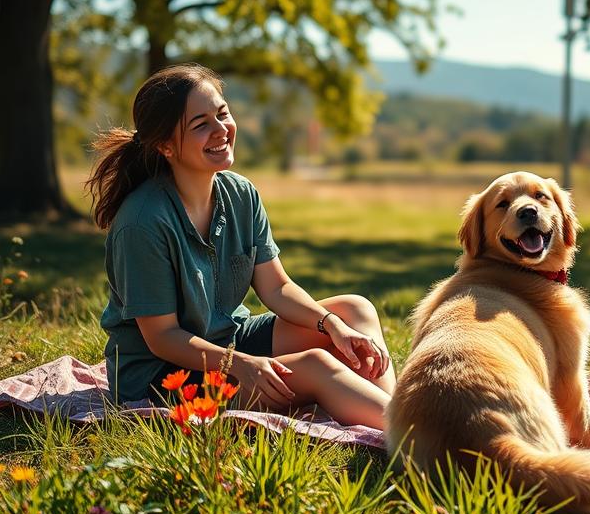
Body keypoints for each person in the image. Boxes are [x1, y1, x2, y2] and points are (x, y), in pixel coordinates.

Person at [86, 63, 394, 429]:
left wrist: (331, 325)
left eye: (222, 113)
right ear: (166, 145)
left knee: (353, 311)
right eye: (200, 124)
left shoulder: (241, 194)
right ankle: (419, 435)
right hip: (163, 377)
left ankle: (395, 413)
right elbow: (163, 338)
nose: (221, 130)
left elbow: (277, 288)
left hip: (231, 341)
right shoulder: (142, 223)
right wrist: (241, 365)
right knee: (317, 367)